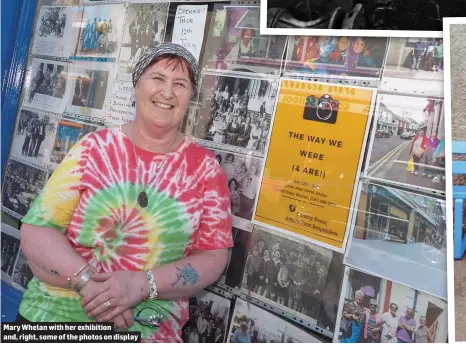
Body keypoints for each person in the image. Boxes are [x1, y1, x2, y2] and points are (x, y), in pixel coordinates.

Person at [17, 43, 233, 342]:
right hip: (55, 318)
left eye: (180, 84)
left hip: (149, 329)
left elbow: (213, 256)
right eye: (157, 78)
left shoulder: (205, 169)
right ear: (136, 85)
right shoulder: (94, 149)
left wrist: (142, 285)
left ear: (190, 98)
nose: (167, 92)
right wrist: (90, 285)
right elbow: (36, 230)